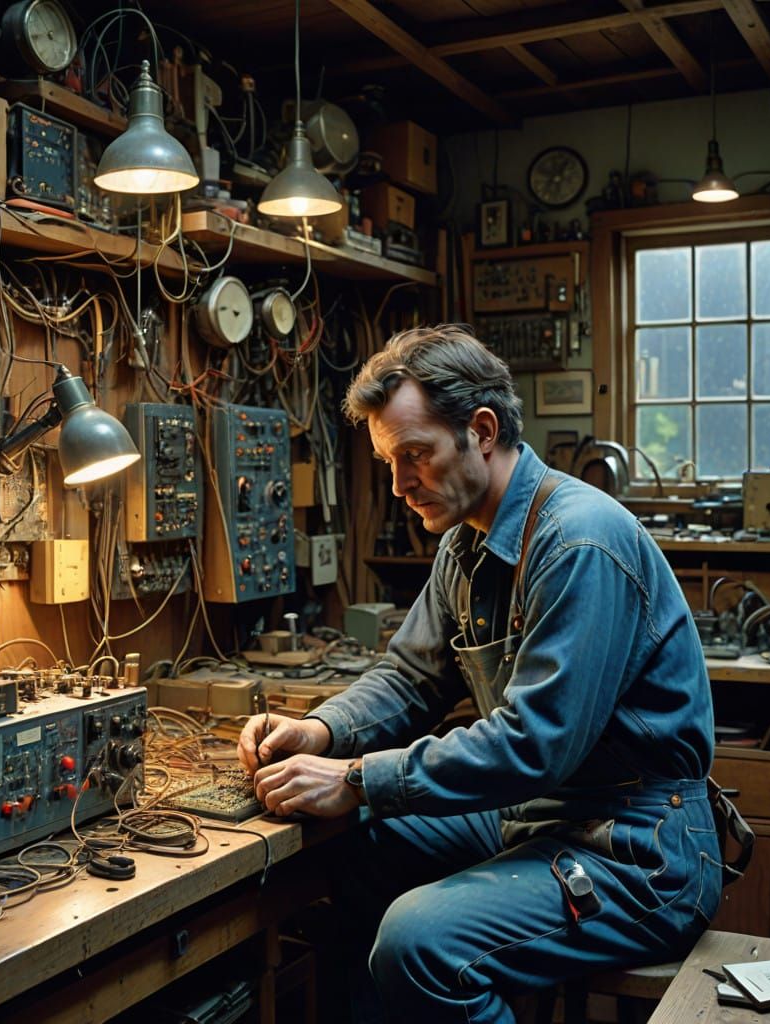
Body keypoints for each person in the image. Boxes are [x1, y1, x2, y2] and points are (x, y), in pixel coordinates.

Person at [237, 324, 722, 1024]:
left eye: (414, 455)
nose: (400, 484)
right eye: (388, 462)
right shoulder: (465, 544)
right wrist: (321, 730)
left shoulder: (578, 540)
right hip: (540, 816)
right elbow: (409, 678)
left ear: (483, 430)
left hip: (638, 847)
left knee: (417, 943)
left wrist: (355, 778)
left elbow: (535, 744)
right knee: (357, 843)